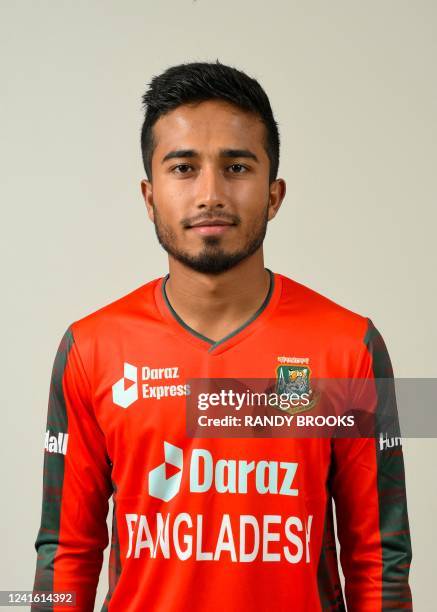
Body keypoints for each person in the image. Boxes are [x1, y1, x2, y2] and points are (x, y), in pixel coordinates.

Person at [32, 61, 413, 611]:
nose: (210, 193)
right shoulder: (90, 349)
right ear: (148, 197)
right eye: (183, 168)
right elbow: (65, 553)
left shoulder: (348, 347)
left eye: (236, 166)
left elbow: (380, 557)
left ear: (275, 194)